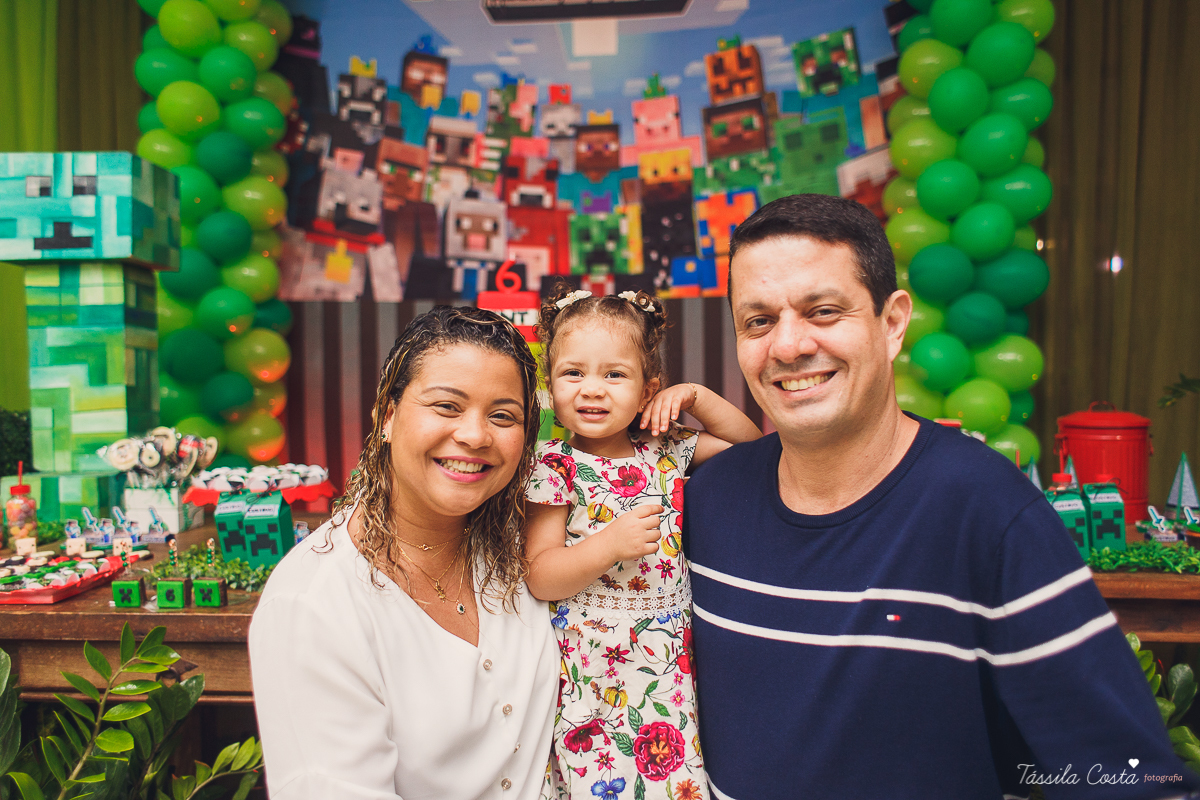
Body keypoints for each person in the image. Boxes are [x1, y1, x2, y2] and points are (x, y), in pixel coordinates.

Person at [682, 194, 1200, 799]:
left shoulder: (988, 513)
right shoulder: (706, 503)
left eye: (823, 311)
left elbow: (1128, 780)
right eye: (758, 321)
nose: (788, 346)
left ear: (893, 322)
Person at [249, 307, 559, 800]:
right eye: (447, 406)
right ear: (387, 417)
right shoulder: (314, 604)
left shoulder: (533, 551)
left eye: (504, 416)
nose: (476, 435)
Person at [523, 286, 760, 799]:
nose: (592, 389)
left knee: (669, 779)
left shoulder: (667, 449)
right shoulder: (554, 465)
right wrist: (608, 544)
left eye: (614, 374)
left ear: (647, 388)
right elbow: (540, 575)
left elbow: (755, 453)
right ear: (550, 384)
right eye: (573, 372)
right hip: (592, 662)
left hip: (667, 657)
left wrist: (698, 397)